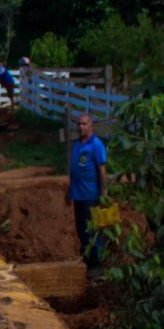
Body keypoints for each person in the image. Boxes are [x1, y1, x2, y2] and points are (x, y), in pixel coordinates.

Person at [67, 113, 109, 275]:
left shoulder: (96, 145)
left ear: (92, 126)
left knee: (93, 229)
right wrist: (69, 191)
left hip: (91, 195)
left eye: (84, 124)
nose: (81, 127)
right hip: (78, 195)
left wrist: (103, 192)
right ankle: (86, 257)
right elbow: (75, 170)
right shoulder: (77, 144)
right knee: (81, 228)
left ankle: (96, 263)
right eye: (79, 124)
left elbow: (101, 170)